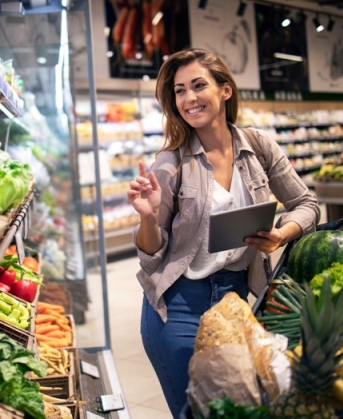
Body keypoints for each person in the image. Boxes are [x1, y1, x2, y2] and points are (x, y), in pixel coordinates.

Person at [127, 47, 320, 418]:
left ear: (225, 90)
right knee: (197, 412)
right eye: (180, 90)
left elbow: (307, 204)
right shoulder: (170, 162)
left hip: (235, 299)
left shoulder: (259, 147)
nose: (189, 98)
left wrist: (282, 234)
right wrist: (148, 219)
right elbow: (151, 255)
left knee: (240, 408)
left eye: (199, 85)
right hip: (178, 305)